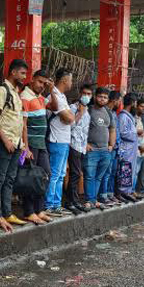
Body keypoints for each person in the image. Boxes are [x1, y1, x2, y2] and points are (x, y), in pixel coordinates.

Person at [0, 59, 28, 224]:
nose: (24, 77)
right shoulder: (2, 90)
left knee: (9, 179)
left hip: (16, 144)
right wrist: (5, 140)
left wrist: (21, 144)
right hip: (6, 144)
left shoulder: (16, 92)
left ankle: (7, 213)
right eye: (22, 73)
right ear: (13, 72)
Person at [20, 70, 53, 224]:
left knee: (45, 175)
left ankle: (39, 210)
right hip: (31, 144)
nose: (42, 86)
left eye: (44, 83)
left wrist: (51, 89)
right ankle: (29, 211)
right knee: (30, 179)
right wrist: (25, 148)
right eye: (40, 82)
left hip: (41, 144)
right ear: (32, 80)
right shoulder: (25, 96)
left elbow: (55, 106)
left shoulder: (41, 97)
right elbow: (23, 125)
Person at [44, 68, 75, 215]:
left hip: (64, 140)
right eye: (70, 79)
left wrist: (69, 115)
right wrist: (69, 115)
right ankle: (49, 205)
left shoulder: (61, 96)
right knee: (55, 174)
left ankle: (56, 204)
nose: (71, 83)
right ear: (64, 80)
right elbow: (69, 118)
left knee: (61, 174)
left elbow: (70, 117)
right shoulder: (54, 95)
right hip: (56, 140)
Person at [84, 87, 115, 210]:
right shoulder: (89, 110)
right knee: (90, 176)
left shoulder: (108, 112)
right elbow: (82, 127)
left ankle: (93, 200)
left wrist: (111, 145)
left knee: (99, 177)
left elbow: (112, 129)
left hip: (105, 151)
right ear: (95, 97)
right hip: (92, 150)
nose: (102, 99)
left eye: (105, 97)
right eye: (100, 96)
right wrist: (85, 143)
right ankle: (89, 200)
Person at [66, 84, 94, 214]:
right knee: (75, 173)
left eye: (89, 94)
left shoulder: (87, 111)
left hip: (81, 147)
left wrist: (86, 144)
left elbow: (84, 130)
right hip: (73, 145)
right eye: (84, 93)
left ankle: (73, 201)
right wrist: (80, 113)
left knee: (77, 174)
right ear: (80, 94)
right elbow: (70, 126)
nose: (86, 96)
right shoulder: (73, 108)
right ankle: (71, 202)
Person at [116, 93, 139, 202]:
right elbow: (122, 132)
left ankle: (127, 191)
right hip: (126, 148)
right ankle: (122, 191)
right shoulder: (123, 116)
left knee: (130, 170)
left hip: (131, 149)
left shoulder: (129, 116)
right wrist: (136, 133)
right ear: (132, 103)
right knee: (125, 169)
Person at [100, 90, 121, 204]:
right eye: (119, 100)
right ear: (114, 100)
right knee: (106, 172)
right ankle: (103, 195)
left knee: (112, 172)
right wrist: (110, 145)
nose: (120, 103)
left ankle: (110, 193)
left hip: (115, 147)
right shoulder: (106, 112)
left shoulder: (113, 113)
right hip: (108, 147)